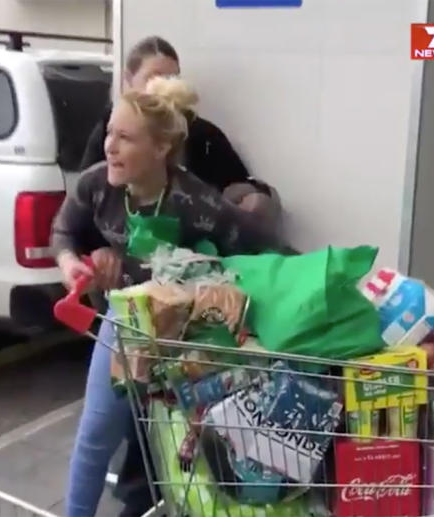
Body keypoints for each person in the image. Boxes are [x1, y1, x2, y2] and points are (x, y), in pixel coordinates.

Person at [54, 76, 284, 517]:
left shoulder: (194, 201)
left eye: (125, 138)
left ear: (160, 149)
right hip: (124, 324)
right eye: (109, 134)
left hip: (187, 336)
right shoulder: (97, 186)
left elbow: (261, 246)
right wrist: (70, 265)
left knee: (182, 442)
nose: (110, 147)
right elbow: (62, 231)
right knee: (97, 430)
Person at [79, 35, 280, 226]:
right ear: (128, 81)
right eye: (154, 78)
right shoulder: (108, 131)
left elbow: (239, 188)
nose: (165, 87)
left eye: (172, 78)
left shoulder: (202, 135)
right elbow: (83, 206)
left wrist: (254, 199)